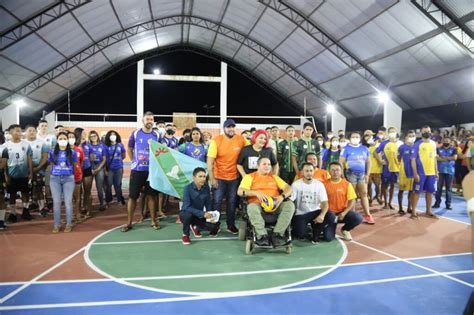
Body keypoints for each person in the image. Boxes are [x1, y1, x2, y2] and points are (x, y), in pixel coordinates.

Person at [237, 157, 295, 247]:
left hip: (275, 204)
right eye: (264, 164)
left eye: (269, 164)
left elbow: (289, 189)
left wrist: (281, 197)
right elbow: (240, 191)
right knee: (251, 207)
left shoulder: (274, 177)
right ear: (257, 166)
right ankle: (262, 236)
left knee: (290, 205)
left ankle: (278, 234)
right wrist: (255, 192)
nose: (267, 166)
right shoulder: (249, 177)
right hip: (258, 205)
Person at [122, 112, 161, 232]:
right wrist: (134, 160)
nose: (150, 121)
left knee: (151, 196)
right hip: (137, 170)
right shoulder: (135, 133)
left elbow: (160, 150)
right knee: (133, 197)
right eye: (147, 119)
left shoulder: (157, 135)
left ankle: (153, 221)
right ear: (142, 120)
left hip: (151, 171)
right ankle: (129, 222)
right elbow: (129, 148)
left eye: (151, 119)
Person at [207, 119, 247, 234]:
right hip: (219, 177)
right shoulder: (216, 141)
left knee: (232, 202)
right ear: (224, 128)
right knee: (216, 202)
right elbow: (210, 162)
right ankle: (214, 225)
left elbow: (253, 146)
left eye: (233, 127)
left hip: (234, 178)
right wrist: (212, 179)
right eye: (228, 127)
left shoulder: (241, 139)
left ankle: (231, 225)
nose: (231, 129)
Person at [291, 163, 334, 243]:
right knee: (300, 235)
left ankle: (316, 232)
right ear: (302, 172)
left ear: (314, 172)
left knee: (331, 215)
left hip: (315, 213)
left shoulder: (319, 185)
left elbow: (325, 202)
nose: (309, 173)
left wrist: (322, 215)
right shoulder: (296, 185)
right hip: (301, 214)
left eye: (311, 171)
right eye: (306, 171)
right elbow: (290, 200)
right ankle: (301, 229)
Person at [339, 131, 374, 224]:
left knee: (364, 194)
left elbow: (368, 162)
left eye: (357, 137)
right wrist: (342, 175)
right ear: (349, 138)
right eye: (353, 137)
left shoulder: (364, 148)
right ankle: (353, 216)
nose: (355, 138)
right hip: (350, 174)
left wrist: (367, 174)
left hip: (362, 174)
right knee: (352, 195)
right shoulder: (345, 149)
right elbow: (341, 162)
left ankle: (368, 215)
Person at [179, 167, 220, 245]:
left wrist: (211, 215)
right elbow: (186, 207)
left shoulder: (206, 188)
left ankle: (196, 227)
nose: (203, 179)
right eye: (200, 176)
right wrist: (203, 214)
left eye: (204, 176)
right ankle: (185, 235)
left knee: (215, 227)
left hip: (199, 216)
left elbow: (208, 203)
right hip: (187, 214)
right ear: (194, 178)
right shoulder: (187, 188)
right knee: (188, 215)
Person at [324, 162, 363, 241]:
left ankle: (345, 229)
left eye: (337, 170)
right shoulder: (324, 184)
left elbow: (352, 200)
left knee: (358, 218)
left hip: (342, 213)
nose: (335, 172)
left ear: (341, 171)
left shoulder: (347, 184)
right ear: (329, 171)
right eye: (333, 170)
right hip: (329, 214)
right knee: (328, 238)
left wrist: (344, 213)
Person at [48, 132, 78, 233]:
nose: (63, 140)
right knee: (56, 203)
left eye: (64, 138)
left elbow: (74, 164)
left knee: (68, 202)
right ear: (57, 140)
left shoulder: (72, 152)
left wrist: (68, 173)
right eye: (60, 138)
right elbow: (51, 162)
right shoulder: (52, 152)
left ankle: (69, 223)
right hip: (55, 179)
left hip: (68, 179)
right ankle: (57, 224)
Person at [5, 124, 33, 223]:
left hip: (24, 174)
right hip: (12, 175)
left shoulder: (26, 145)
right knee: (12, 194)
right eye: (17, 131)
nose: (19, 132)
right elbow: (4, 162)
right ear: (11, 132)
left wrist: (31, 172)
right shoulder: (5, 146)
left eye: (20, 131)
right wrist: (6, 175)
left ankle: (26, 211)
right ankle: (13, 213)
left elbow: (29, 159)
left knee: (25, 193)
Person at [411, 125, 438, 219]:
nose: (427, 132)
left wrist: (436, 171)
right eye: (425, 131)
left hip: (431, 173)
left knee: (430, 192)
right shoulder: (417, 144)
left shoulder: (434, 144)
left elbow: (434, 158)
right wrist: (415, 173)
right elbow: (413, 160)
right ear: (421, 133)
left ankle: (429, 211)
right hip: (421, 173)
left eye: (428, 131)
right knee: (417, 192)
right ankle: (413, 211)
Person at [25, 124, 48, 216]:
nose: (32, 132)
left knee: (39, 188)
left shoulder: (42, 143)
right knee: (25, 190)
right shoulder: (22, 143)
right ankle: (26, 209)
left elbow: (45, 157)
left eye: (33, 130)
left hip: (39, 169)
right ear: (25, 132)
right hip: (25, 170)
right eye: (29, 130)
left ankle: (42, 208)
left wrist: (38, 168)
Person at [376, 127, 401, 210]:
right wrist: (380, 160)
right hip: (386, 168)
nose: (392, 133)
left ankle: (390, 203)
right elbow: (376, 152)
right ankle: (385, 203)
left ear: (396, 132)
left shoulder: (400, 143)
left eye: (393, 131)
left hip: (396, 169)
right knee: (385, 185)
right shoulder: (384, 143)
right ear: (387, 133)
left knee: (393, 185)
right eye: (390, 132)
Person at [434, 137, 457, 210]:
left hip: (450, 171)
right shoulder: (438, 148)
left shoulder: (454, 149)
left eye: (447, 141)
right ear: (442, 141)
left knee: (449, 188)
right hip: (440, 171)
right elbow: (437, 158)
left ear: (450, 142)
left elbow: (454, 158)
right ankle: (437, 203)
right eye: (444, 141)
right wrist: (448, 158)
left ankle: (448, 204)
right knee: (438, 188)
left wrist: (443, 157)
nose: (446, 142)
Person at [104, 130, 126, 206]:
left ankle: (119, 200)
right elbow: (104, 158)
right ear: (108, 137)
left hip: (119, 168)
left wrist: (118, 161)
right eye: (111, 135)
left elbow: (123, 155)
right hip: (109, 168)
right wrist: (105, 169)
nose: (112, 136)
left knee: (118, 184)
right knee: (109, 184)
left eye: (114, 134)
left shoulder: (120, 145)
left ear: (117, 136)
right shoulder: (106, 146)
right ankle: (108, 200)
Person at [397, 131, 416, 215]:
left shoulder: (417, 147)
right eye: (410, 136)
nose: (411, 137)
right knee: (401, 190)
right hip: (403, 172)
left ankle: (409, 207)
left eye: (413, 136)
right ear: (406, 137)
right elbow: (398, 159)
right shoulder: (401, 147)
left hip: (413, 172)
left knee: (411, 191)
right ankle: (400, 208)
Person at [67, 131, 85, 224]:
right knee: (68, 198)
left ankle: (77, 214)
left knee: (77, 197)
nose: (71, 138)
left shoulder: (79, 150)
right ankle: (70, 215)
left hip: (77, 176)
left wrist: (78, 170)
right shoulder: (63, 150)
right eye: (69, 137)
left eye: (72, 137)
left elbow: (81, 162)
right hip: (66, 177)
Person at [76, 128, 93, 218]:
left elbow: (92, 158)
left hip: (87, 169)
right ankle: (78, 210)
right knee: (78, 193)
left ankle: (88, 209)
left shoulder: (88, 145)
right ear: (78, 134)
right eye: (83, 133)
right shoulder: (73, 145)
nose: (85, 134)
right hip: (77, 171)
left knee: (87, 191)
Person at [89, 130, 107, 211]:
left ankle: (102, 203)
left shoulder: (102, 146)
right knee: (87, 188)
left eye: (95, 136)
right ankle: (87, 205)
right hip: (89, 167)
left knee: (99, 187)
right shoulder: (88, 146)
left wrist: (98, 169)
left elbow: (104, 159)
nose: (93, 137)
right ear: (89, 137)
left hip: (99, 167)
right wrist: (91, 168)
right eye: (91, 136)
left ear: (97, 136)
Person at [364, 131, 383, 206]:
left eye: (372, 136)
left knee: (377, 185)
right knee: (369, 185)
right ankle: (370, 199)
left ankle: (377, 196)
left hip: (376, 169)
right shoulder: (365, 148)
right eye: (368, 136)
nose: (371, 137)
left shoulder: (376, 147)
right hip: (368, 170)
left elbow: (380, 157)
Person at [0, 132, 8, 230]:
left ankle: (1, 221)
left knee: (1, 199)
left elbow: (3, 164)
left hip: (0, 177)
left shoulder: (3, 149)